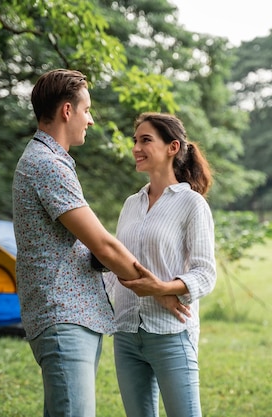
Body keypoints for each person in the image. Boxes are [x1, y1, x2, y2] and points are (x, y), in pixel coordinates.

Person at [12, 69, 169, 417]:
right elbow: (103, 245)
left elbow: (83, 247)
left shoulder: (48, 162)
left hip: (72, 317)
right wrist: (161, 290)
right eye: (87, 110)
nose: (91, 119)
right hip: (63, 318)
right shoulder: (47, 164)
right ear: (67, 111)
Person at [105, 112, 217, 417]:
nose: (136, 148)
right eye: (135, 141)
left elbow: (205, 274)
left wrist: (162, 288)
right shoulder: (131, 204)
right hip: (126, 334)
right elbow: (116, 268)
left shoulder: (192, 204)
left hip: (171, 333)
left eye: (145, 140)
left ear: (172, 147)